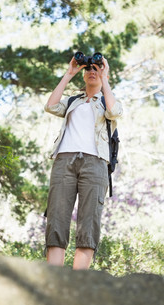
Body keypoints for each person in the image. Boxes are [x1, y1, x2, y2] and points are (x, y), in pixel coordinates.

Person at [44, 54, 123, 270]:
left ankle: (79, 281)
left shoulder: (107, 101)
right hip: (64, 160)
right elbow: (50, 106)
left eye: (96, 68)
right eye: (88, 68)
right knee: (57, 217)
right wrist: (70, 73)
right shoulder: (73, 101)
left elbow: (114, 112)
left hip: (95, 163)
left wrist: (104, 76)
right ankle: (54, 277)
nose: (92, 71)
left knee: (89, 221)